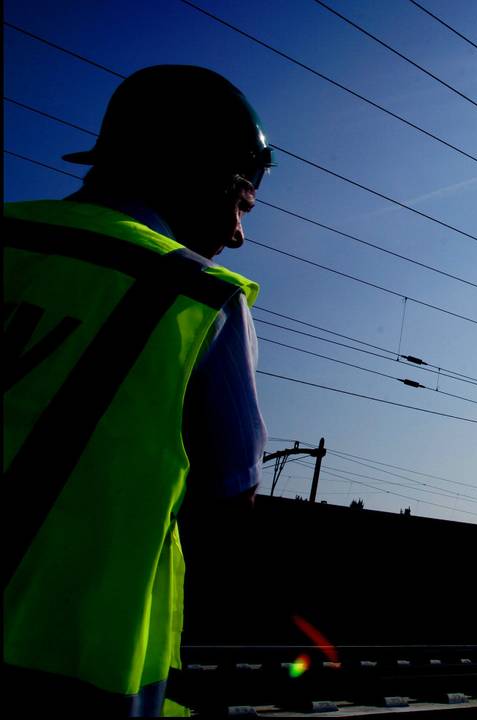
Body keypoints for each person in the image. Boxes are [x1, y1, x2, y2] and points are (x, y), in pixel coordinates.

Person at [4, 65, 273, 716]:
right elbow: (227, 506)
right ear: (196, 175)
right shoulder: (198, 302)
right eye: (241, 200)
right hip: (71, 681)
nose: (238, 233)